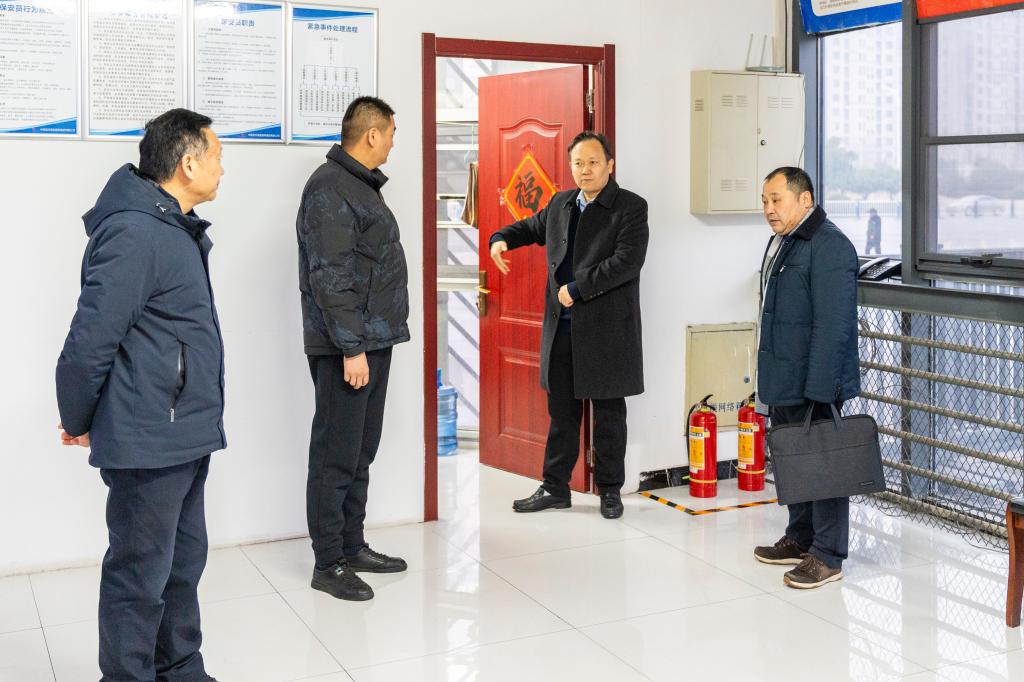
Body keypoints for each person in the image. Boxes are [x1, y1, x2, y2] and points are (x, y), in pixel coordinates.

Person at [56, 108, 226, 681]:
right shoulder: (135, 231)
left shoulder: (174, 227)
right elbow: (90, 339)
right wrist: (78, 417)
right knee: (139, 575)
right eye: (217, 155)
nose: (222, 168)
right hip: (148, 434)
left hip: (183, 430)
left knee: (182, 564)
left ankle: (180, 668)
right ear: (188, 163)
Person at [490, 131, 649, 520]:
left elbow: (627, 262)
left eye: (593, 162)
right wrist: (500, 238)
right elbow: (531, 227)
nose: (585, 170)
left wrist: (577, 289)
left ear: (610, 165)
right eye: (578, 163)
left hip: (607, 330)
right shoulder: (561, 203)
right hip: (561, 328)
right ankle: (555, 487)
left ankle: (609, 490)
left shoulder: (630, 207)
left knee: (608, 415)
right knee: (561, 413)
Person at [296, 96, 410, 601]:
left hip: (371, 339)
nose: (392, 143)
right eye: (391, 134)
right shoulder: (330, 188)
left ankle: (352, 545)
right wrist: (351, 348)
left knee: (360, 450)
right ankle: (328, 563)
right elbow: (330, 275)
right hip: (349, 346)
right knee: (335, 455)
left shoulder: (358, 186)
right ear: (372, 134)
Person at [753, 167, 860, 589]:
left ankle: (828, 554)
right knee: (793, 461)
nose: (769, 209)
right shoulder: (789, 242)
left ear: (805, 200)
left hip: (815, 383)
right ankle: (800, 537)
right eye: (765, 201)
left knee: (824, 466)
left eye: (776, 199)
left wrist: (821, 388)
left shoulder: (830, 246)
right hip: (785, 377)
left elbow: (833, 326)